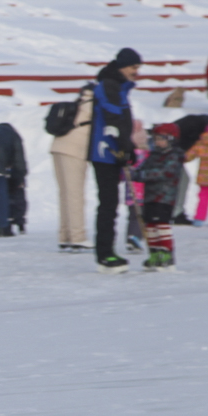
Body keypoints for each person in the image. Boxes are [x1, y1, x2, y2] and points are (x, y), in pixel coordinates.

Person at [87, 48, 141, 273]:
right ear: (121, 67)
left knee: (110, 204)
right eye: (133, 67)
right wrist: (125, 148)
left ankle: (107, 251)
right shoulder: (109, 85)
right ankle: (104, 254)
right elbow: (113, 119)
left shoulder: (118, 86)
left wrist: (127, 147)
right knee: (108, 204)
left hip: (112, 151)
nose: (136, 72)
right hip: (105, 152)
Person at [132, 125, 183, 270]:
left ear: (171, 140)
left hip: (165, 196)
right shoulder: (153, 155)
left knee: (161, 224)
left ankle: (166, 253)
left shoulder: (174, 155)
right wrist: (135, 173)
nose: (158, 142)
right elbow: (143, 168)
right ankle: (155, 252)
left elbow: (165, 172)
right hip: (150, 196)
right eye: (156, 139)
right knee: (150, 225)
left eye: (161, 139)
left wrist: (145, 175)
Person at [50, 83, 93, 253]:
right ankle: (78, 237)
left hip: (58, 146)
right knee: (75, 194)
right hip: (74, 150)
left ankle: (65, 236)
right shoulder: (95, 105)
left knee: (65, 193)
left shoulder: (78, 103)